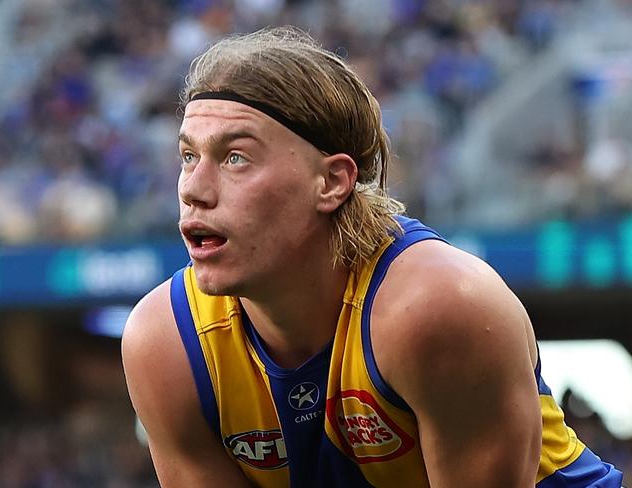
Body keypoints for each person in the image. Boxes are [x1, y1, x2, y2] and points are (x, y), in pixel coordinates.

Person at [121, 27, 623, 487]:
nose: (194, 189)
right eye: (189, 156)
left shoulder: (438, 307)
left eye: (235, 157)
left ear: (332, 182)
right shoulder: (164, 343)